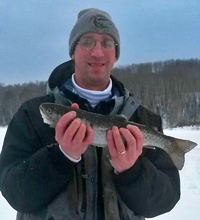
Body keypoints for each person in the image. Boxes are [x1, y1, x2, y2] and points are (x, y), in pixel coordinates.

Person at [0, 8, 180, 220]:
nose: (97, 52)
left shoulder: (143, 119)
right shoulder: (32, 114)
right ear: (73, 52)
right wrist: (60, 157)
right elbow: (15, 193)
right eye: (86, 41)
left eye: (107, 43)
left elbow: (164, 201)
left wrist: (132, 171)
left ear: (115, 54)